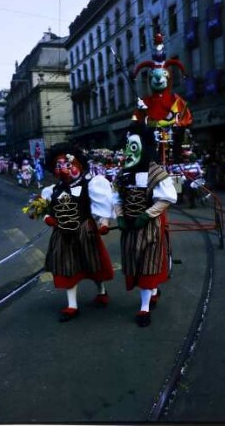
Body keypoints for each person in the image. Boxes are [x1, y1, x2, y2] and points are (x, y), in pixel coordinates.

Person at [112, 124, 177, 327]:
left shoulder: (155, 172)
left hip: (148, 228)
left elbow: (167, 198)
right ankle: (153, 293)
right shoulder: (123, 174)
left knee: (148, 264)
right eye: (128, 146)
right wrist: (120, 217)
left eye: (134, 146)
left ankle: (144, 308)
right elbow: (117, 198)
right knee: (134, 262)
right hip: (130, 229)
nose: (129, 151)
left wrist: (147, 215)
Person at [41, 147, 114, 322]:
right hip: (63, 235)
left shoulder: (91, 185)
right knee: (67, 267)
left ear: (78, 165)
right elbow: (46, 210)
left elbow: (101, 208)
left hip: (84, 231)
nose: (64, 169)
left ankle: (102, 291)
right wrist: (48, 219)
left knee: (92, 264)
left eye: (68, 164)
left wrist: (103, 224)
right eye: (59, 166)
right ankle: (72, 305)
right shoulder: (54, 190)